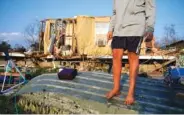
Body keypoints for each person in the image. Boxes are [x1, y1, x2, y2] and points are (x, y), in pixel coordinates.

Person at [106, 0, 156, 105]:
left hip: (136, 28)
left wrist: (150, 28)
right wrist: (111, 29)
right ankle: (116, 88)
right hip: (119, 29)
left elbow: (150, 9)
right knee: (115, 55)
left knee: (133, 58)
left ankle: (131, 92)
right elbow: (115, 12)